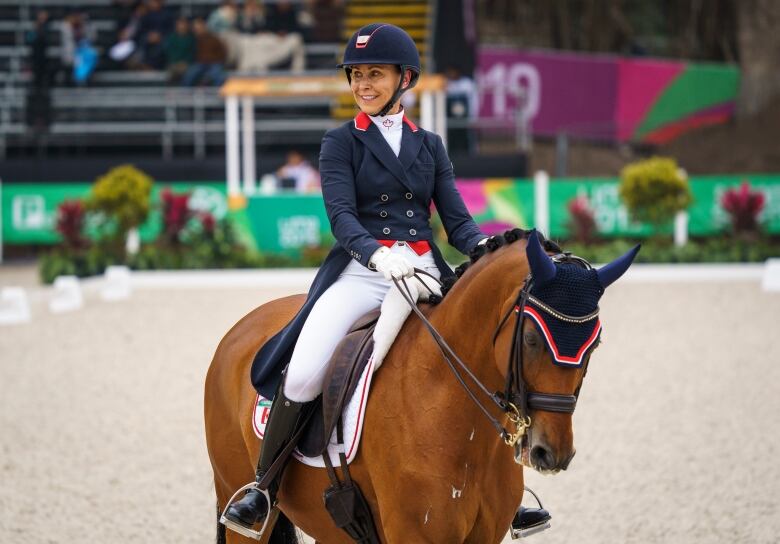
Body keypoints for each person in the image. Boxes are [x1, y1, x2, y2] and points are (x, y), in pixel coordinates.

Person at [222, 23, 550, 538]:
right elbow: (342, 218)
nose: (363, 84)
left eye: (375, 74)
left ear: (405, 79)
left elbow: (458, 222)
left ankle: (508, 484)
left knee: (487, 356)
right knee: (306, 369)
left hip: (425, 272)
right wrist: (378, 256)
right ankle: (263, 486)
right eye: (356, 75)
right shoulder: (341, 142)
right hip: (363, 274)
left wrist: (483, 247)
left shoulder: (430, 145)